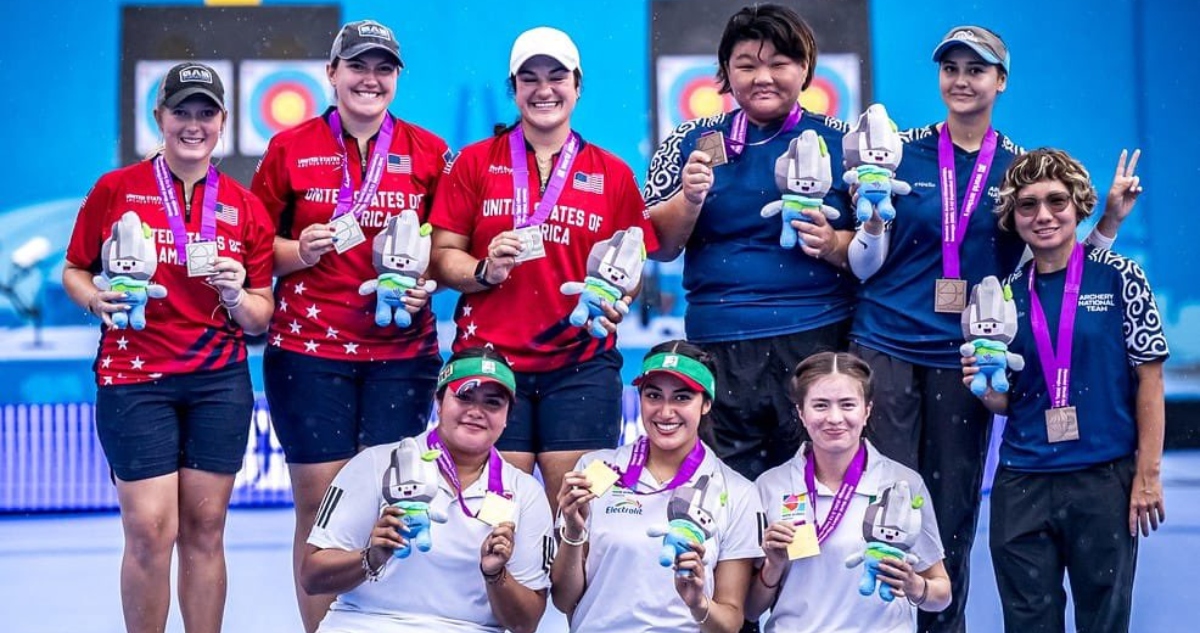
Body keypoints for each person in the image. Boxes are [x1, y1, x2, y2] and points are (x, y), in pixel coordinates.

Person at [845, 26, 1142, 632]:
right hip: (885, 346)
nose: (961, 79)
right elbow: (868, 241)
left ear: (1000, 81)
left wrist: (1106, 225)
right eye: (950, 68)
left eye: (976, 70)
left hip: (966, 360)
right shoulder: (901, 150)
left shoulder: (1014, 170)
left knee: (950, 510)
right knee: (882, 504)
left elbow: (1053, 259)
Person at [250, 19, 450, 630]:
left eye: (383, 68)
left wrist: (429, 282)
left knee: (391, 503)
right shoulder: (289, 148)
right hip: (308, 353)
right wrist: (298, 252)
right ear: (331, 73)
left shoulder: (429, 151)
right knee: (319, 507)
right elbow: (256, 249)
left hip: (400, 355)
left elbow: (447, 248)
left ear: (397, 79)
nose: (370, 78)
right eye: (357, 66)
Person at [62, 62, 274, 633]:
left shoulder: (244, 204)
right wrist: (93, 301)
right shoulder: (116, 189)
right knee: (151, 531)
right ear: (159, 117)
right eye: (182, 111)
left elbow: (261, 315)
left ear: (224, 122)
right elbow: (74, 269)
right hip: (135, 379)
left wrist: (235, 294)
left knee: (206, 531)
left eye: (206, 113)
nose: (194, 124)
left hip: (217, 383)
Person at [429, 26, 658, 510]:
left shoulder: (613, 173)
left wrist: (616, 298)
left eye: (557, 76)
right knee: (495, 518)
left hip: (580, 367)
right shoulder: (473, 164)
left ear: (578, 85)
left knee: (576, 516)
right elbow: (442, 254)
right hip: (490, 365)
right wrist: (484, 271)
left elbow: (632, 267)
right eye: (529, 78)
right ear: (513, 89)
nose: (544, 89)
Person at [643, 3, 856, 480]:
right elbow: (658, 246)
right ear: (725, 73)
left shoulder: (845, 142)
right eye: (746, 64)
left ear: (805, 69)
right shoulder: (688, 141)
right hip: (719, 343)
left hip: (816, 338)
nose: (763, 77)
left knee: (813, 488)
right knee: (724, 494)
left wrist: (833, 243)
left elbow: (878, 246)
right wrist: (690, 198)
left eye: (779, 63)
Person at [963, 148, 1166, 633]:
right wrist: (979, 384)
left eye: (1057, 201)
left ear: (1079, 206)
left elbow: (1150, 381)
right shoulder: (1002, 294)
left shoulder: (1121, 277)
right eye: (1028, 205)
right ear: (1013, 217)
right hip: (1023, 482)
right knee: (1029, 624)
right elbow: (1007, 401)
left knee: (1104, 623)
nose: (1044, 215)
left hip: (1103, 480)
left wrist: (1147, 476)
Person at [301, 347, 553, 633]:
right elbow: (312, 577)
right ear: (439, 401)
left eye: (492, 403)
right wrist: (371, 557)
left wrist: (495, 574)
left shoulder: (525, 494)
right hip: (364, 623)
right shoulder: (375, 464)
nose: (475, 412)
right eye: (464, 396)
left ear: (507, 417)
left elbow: (526, 623)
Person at [552, 341, 763, 632]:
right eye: (654, 395)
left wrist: (698, 603)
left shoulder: (738, 492)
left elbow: (730, 622)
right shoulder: (595, 469)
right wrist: (573, 533)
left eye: (682, 398)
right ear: (639, 397)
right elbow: (563, 600)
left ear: (706, 404)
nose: (665, 412)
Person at [748, 352, 951, 632]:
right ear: (801, 412)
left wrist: (915, 585)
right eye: (820, 405)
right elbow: (750, 609)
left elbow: (942, 595)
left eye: (847, 405)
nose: (834, 418)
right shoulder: (770, 486)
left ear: (867, 411)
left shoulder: (903, 484)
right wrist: (773, 565)